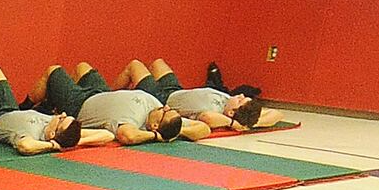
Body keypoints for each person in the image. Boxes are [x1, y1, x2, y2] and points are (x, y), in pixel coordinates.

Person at [28, 64, 207, 145]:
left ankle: (25, 106)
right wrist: (175, 132)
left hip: (80, 103)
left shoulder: (133, 124)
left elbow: (126, 136)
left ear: (154, 126)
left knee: (54, 71)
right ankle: (52, 105)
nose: (166, 107)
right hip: (102, 93)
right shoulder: (163, 114)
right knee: (82, 67)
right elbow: (203, 129)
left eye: (164, 113)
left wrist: (156, 136)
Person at [0, 62, 109, 155]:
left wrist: (52, 145)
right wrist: (73, 142)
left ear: (53, 133)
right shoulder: (61, 129)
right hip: (10, 108)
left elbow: (25, 146)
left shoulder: (32, 136)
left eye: (62, 119)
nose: (62, 114)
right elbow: (107, 135)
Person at [117, 60, 282, 132]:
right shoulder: (228, 103)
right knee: (157, 63)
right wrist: (248, 123)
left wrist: (233, 123)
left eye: (240, 100)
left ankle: (106, 96)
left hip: (161, 98)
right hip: (175, 90)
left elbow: (207, 118)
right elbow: (277, 114)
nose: (239, 94)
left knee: (134, 66)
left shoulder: (216, 114)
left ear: (231, 112)